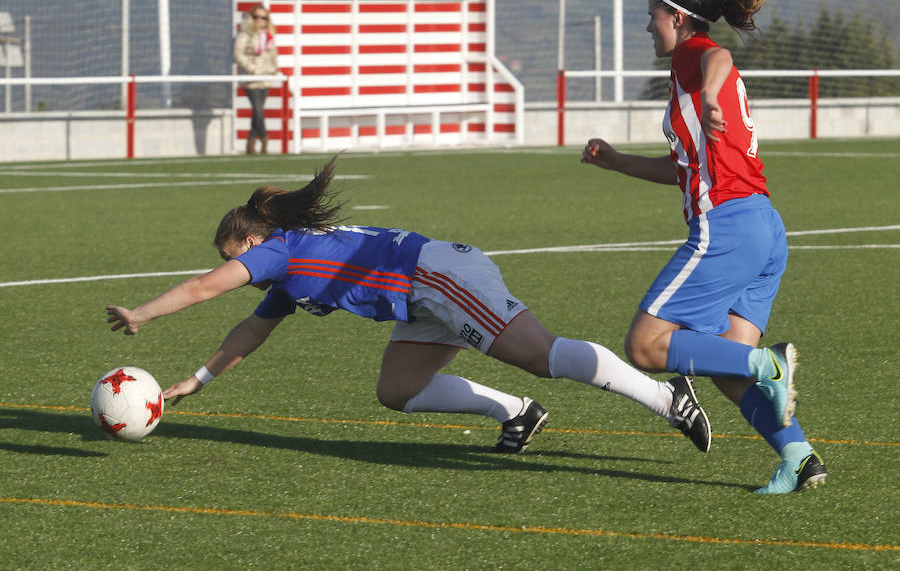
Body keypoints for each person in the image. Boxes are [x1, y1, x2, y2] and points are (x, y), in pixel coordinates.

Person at [106, 156, 712, 456]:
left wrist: (141, 313)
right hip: (422, 295)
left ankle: (668, 397)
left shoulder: (277, 253)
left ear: (252, 242)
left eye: (230, 253)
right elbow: (249, 333)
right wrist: (195, 381)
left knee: (541, 354)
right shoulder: (285, 277)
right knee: (397, 389)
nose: (231, 267)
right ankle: (519, 414)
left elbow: (205, 289)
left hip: (436, 277)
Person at [581, 0, 827, 493]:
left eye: (653, 17)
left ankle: (771, 364)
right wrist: (617, 161)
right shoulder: (685, 77)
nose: (648, 27)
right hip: (763, 226)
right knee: (725, 366)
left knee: (646, 346)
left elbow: (720, 56)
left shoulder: (696, 54)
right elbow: (687, 169)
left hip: (729, 225)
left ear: (677, 17)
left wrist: (712, 92)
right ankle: (799, 456)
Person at [233, 5, 279, 154]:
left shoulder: (268, 35)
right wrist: (252, 68)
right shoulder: (245, 33)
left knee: (257, 111)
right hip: (250, 78)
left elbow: (273, 55)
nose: (259, 20)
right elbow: (237, 54)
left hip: (265, 77)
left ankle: (251, 141)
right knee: (258, 109)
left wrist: (274, 68)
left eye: (263, 17)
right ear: (251, 18)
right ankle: (264, 137)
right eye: (256, 17)